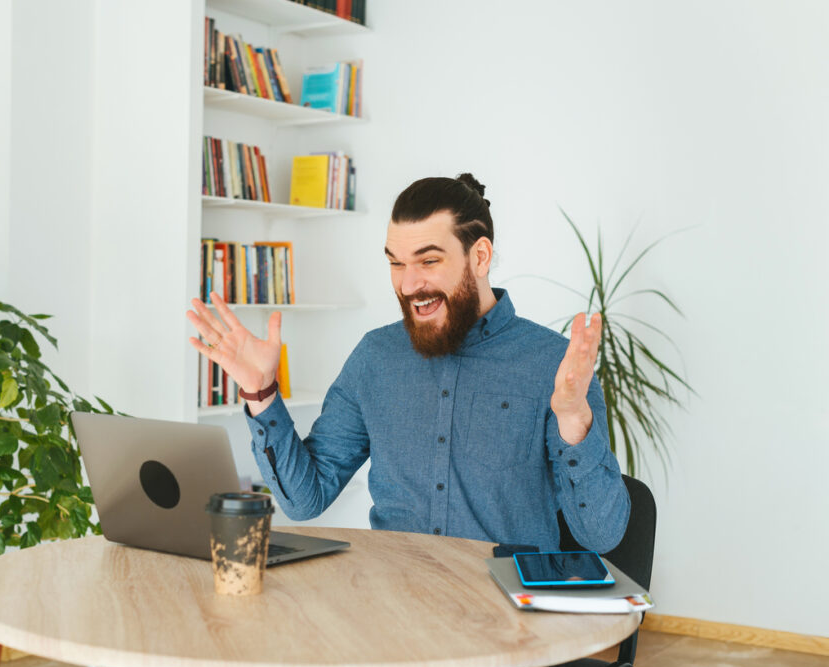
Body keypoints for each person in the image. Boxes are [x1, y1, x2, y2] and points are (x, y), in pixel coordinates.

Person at [186, 173, 629, 556]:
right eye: (396, 263)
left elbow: (602, 535)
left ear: (479, 257)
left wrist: (573, 419)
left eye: (428, 261)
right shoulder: (375, 358)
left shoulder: (554, 365)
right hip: (396, 611)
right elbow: (307, 498)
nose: (409, 283)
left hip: (507, 624)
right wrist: (261, 394)